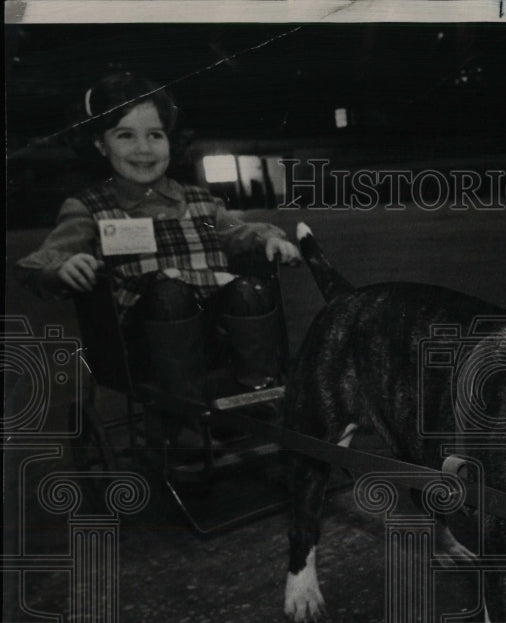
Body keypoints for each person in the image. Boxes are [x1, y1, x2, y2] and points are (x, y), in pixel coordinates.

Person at [17, 73, 301, 423]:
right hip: (144, 345)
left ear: (170, 140)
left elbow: (239, 232)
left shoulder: (199, 201)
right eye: (125, 135)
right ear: (100, 145)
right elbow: (40, 262)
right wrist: (62, 267)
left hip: (215, 333)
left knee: (250, 289)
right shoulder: (88, 207)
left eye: (155, 135)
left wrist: (268, 239)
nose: (144, 148)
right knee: (169, 292)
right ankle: (184, 403)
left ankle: (262, 391)